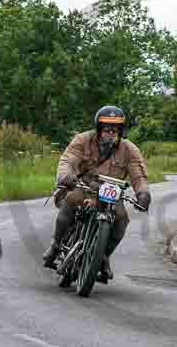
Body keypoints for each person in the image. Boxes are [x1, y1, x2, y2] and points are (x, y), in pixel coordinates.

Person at [42, 105, 151, 282]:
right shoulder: (82, 140)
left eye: (115, 128)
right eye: (106, 127)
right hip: (84, 186)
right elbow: (68, 160)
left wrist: (143, 194)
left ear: (121, 130)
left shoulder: (129, 149)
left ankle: (103, 255)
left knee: (122, 218)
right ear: (99, 128)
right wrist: (65, 176)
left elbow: (139, 176)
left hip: (111, 194)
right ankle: (55, 246)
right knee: (71, 200)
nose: (111, 131)